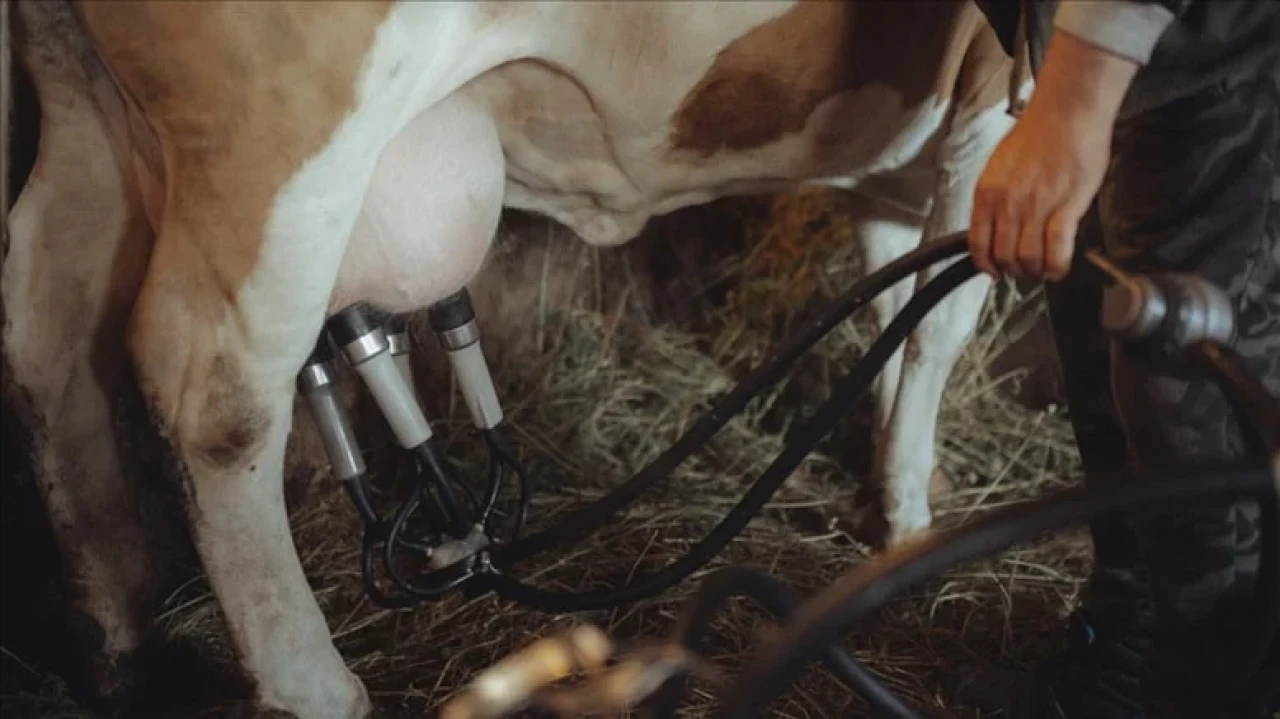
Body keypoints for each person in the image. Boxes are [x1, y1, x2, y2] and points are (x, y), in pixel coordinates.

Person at [958, 1, 1280, 717]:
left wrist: (1077, 93)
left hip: (1225, 54)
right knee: (1112, 354)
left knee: (1194, 407)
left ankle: (1203, 699)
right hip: (1141, 60)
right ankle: (1130, 647)